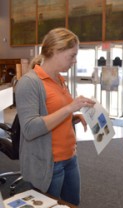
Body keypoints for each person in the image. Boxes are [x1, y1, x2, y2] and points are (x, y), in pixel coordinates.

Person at [15, 28, 95, 205]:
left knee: (72, 204)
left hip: (70, 157)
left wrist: (73, 117)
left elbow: (52, 114)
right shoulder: (29, 83)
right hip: (49, 163)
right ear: (56, 51)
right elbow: (29, 129)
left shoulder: (59, 79)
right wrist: (69, 109)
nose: (75, 61)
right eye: (71, 56)